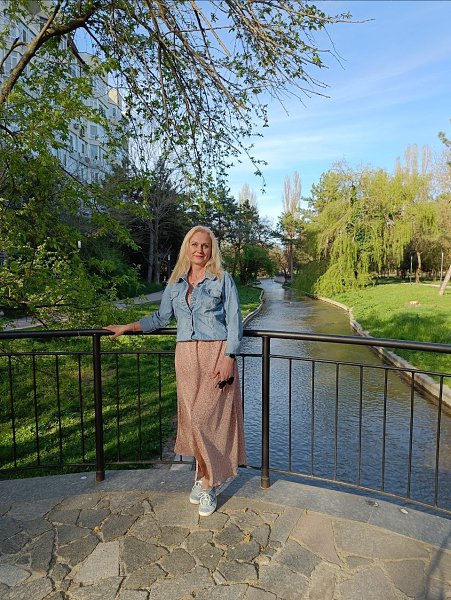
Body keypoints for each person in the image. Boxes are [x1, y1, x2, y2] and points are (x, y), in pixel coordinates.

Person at [104, 225, 246, 517]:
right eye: (195, 244)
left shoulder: (222, 279)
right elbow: (161, 318)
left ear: (212, 250)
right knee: (193, 421)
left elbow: (235, 320)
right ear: (187, 248)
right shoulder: (176, 282)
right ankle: (202, 477)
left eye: (205, 245)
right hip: (185, 358)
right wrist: (128, 327)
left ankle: (209, 484)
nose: (200, 250)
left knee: (206, 420)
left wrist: (229, 357)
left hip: (215, 354)